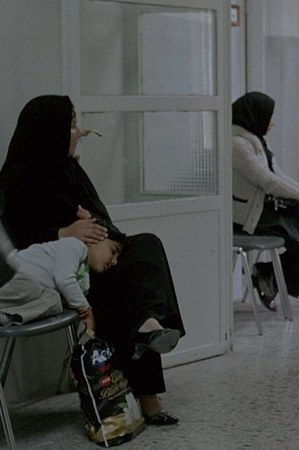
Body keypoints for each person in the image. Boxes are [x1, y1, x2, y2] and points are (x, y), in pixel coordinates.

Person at [0, 95, 187, 425]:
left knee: (147, 246)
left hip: (91, 260)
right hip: (58, 276)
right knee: (122, 286)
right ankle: (147, 389)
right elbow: (17, 249)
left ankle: (148, 326)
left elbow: (103, 219)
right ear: (49, 132)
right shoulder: (15, 180)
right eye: (72, 125)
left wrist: (100, 237)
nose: (79, 132)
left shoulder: (70, 170)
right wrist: (64, 234)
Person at [232, 92, 299, 310]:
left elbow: (280, 177)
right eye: (269, 116)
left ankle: (268, 274)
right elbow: (267, 181)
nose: (273, 122)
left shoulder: (257, 142)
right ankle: (270, 278)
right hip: (247, 217)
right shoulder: (237, 145)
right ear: (255, 115)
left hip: (266, 210)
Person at [0, 227, 125, 328]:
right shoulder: (75, 245)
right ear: (96, 238)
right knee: (33, 288)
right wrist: (86, 309)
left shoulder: (84, 273)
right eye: (113, 251)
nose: (114, 262)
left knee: (54, 301)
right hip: (12, 279)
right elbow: (64, 279)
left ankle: (7, 317)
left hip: (23, 293)